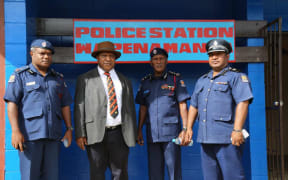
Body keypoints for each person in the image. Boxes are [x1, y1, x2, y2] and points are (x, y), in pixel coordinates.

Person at [3, 39, 73, 180]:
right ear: (32, 54)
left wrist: (69, 129)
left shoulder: (57, 79)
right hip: (29, 137)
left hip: (53, 137)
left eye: (49, 54)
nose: (46, 57)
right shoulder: (20, 76)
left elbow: (65, 104)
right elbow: (12, 104)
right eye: (42, 53)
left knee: (51, 177)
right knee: (30, 176)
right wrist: (15, 131)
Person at [184, 39, 254, 180]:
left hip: (227, 138)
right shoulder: (202, 80)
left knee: (232, 177)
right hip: (205, 138)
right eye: (211, 55)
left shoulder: (236, 77)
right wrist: (188, 128)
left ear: (227, 56)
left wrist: (237, 130)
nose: (214, 57)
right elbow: (194, 105)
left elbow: (243, 102)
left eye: (219, 54)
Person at [74, 41, 137, 180]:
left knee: (120, 173)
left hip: (120, 133)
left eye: (111, 56)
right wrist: (80, 133)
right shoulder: (85, 79)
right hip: (94, 133)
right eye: (104, 55)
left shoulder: (124, 81)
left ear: (115, 59)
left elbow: (130, 109)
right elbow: (79, 108)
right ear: (98, 58)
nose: (108, 59)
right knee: (97, 172)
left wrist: (134, 132)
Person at [135, 48, 190, 180]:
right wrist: (139, 130)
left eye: (161, 59)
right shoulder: (145, 82)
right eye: (155, 59)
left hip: (171, 134)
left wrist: (185, 128)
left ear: (166, 61)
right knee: (154, 174)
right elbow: (143, 108)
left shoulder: (175, 79)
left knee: (174, 173)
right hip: (152, 135)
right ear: (151, 62)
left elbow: (182, 105)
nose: (158, 62)